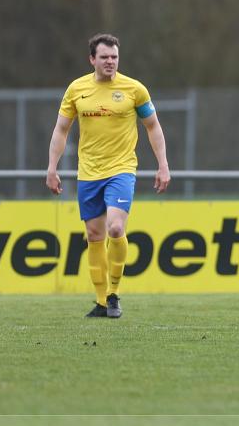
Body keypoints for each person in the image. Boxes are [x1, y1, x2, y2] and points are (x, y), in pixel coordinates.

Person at [46, 34, 170, 319]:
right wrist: (52, 167)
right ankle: (101, 301)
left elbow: (153, 127)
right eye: (104, 57)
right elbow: (61, 130)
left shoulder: (134, 90)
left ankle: (114, 293)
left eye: (114, 57)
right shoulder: (77, 89)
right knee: (94, 235)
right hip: (88, 172)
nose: (110, 62)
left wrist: (163, 164)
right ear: (92, 59)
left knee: (115, 229)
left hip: (122, 169)